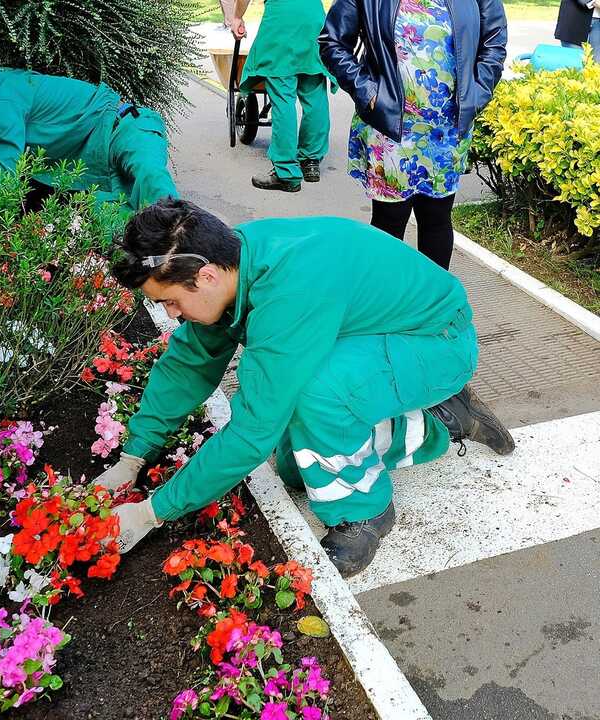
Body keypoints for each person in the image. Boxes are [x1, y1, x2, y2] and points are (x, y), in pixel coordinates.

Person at [101, 199, 515, 577]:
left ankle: (365, 511)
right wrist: (133, 457)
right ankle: (443, 419)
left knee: (315, 396)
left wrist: (153, 512)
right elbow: (187, 365)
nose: (173, 314)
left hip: (438, 343)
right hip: (376, 335)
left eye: (171, 301)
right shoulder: (231, 261)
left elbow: (252, 432)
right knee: (297, 467)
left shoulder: (288, 290)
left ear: (205, 276)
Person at [319, 0, 507, 269]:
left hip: (447, 129)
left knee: (437, 217)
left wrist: (477, 94)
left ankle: (433, 295)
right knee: (389, 221)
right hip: (389, 125)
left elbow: (494, 42)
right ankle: (384, 295)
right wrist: (367, 92)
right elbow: (333, 42)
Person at [0, 44, 178, 212]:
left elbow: (0, 189)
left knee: (161, 203)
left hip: (125, 132)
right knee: (126, 234)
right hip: (95, 166)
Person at [230, 0, 332, 192]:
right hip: (313, 20)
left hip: (281, 22)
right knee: (315, 96)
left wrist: (236, 17)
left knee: (283, 99)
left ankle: (286, 173)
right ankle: (310, 161)